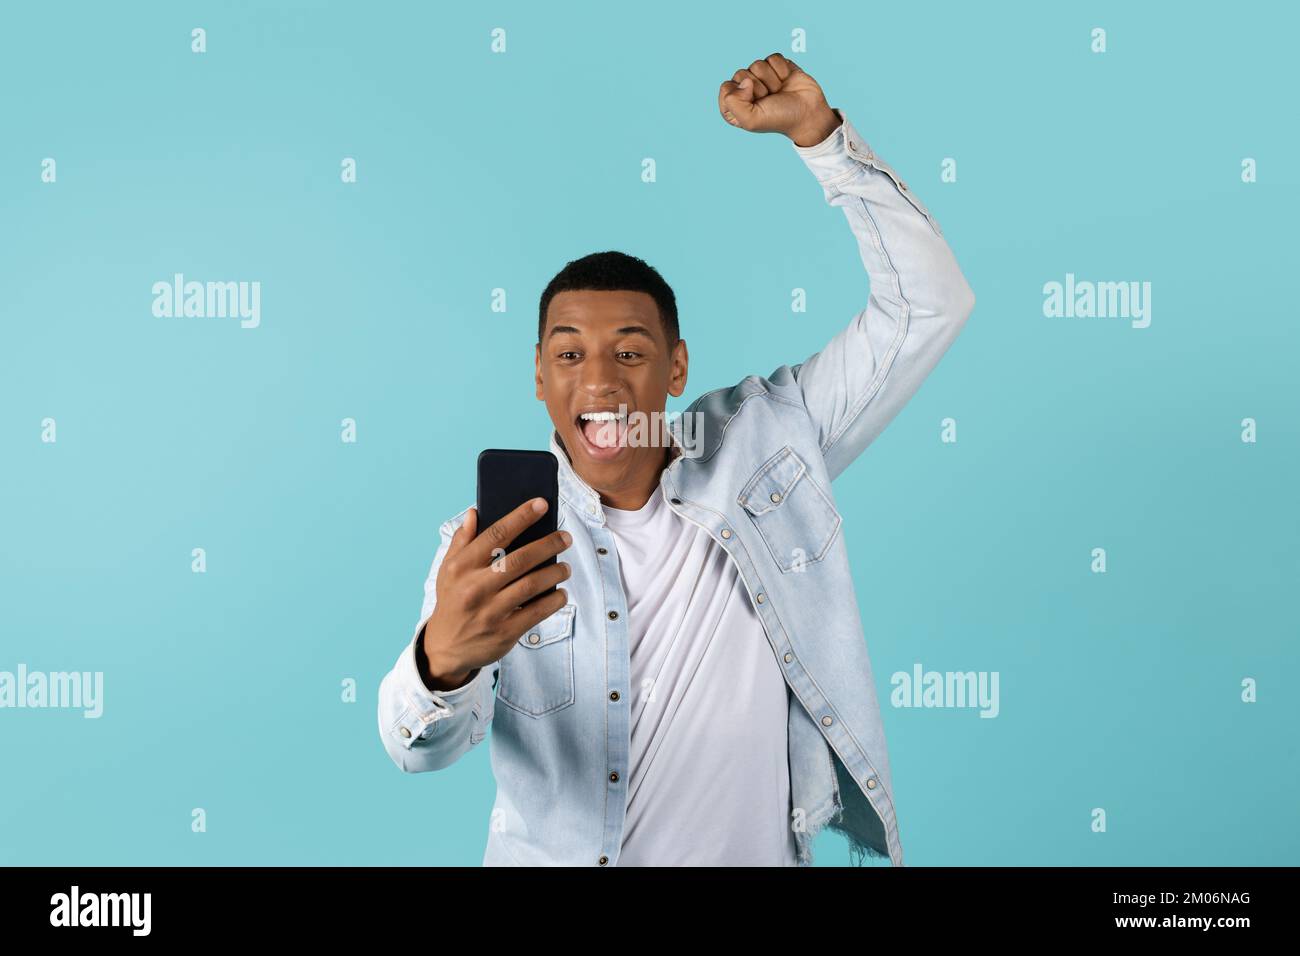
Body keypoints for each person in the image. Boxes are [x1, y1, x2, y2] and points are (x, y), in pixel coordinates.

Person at [378, 52, 975, 866]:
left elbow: (929, 305)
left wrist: (822, 141)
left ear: (677, 368)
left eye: (629, 353)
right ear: (539, 378)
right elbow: (419, 748)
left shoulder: (768, 448)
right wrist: (439, 663)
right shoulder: (490, 544)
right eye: (568, 356)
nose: (598, 381)